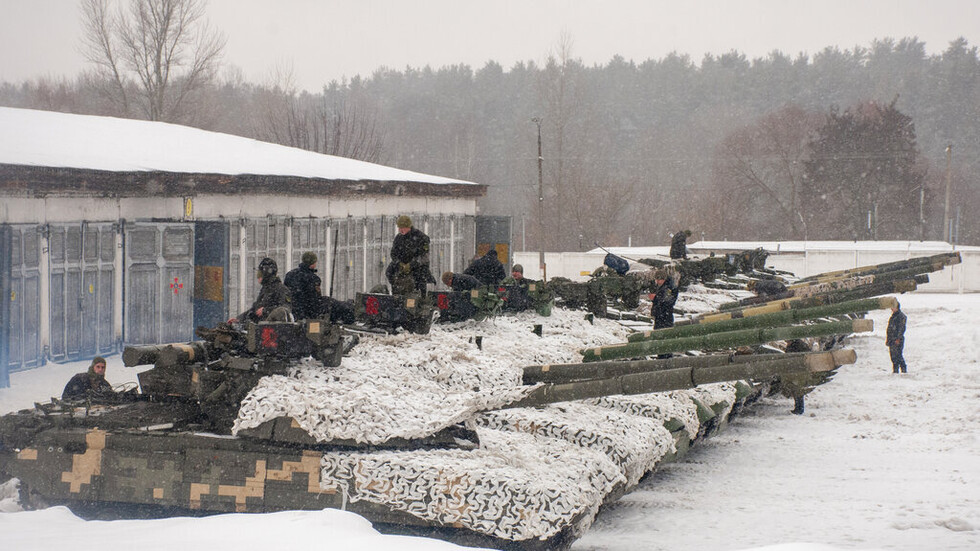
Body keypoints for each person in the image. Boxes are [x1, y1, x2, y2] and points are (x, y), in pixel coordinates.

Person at [229, 257, 292, 324]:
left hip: (272, 330)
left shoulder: (281, 289)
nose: (258, 276)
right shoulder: (265, 289)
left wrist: (266, 310)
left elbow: (285, 309)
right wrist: (239, 319)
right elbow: (254, 310)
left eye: (260, 273)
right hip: (261, 328)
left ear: (266, 273)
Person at [386, 215, 436, 295]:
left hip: (418, 266)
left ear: (408, 227)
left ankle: (420, 297)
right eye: (399, 228)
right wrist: (399, 263)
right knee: (389, 271)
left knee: (420, 278)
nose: (400, 230)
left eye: (402, 228)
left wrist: (411, 265)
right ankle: (397, 292)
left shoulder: (421, 237)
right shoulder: (398, 238)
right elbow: (393, 254)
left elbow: (424, 257)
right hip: (401, 264)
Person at [886, 301, 908, 373]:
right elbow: (889, 328)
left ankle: (903, 369)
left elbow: (901, 328)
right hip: (892, 339)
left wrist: (898, 338)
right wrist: (888, 339)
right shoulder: (893, 317)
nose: (892, 309)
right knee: (893, 356)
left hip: (897, 339)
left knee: (898, 355)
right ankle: (895, 370)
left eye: (893, 307)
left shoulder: (901, 316)